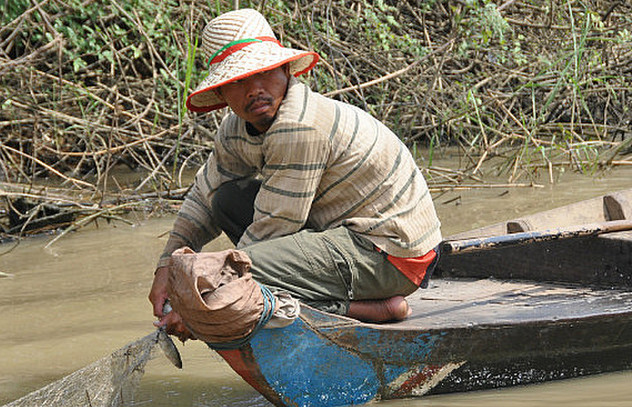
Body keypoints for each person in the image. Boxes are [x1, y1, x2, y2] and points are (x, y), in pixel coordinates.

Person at [149, 8, 442, 340]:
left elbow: (271, 230)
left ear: (285, 70)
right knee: (226, 200)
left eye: (264, 73)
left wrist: (203, 306)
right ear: (220, 94)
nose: (254, 89)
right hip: (339, 235)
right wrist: (166, 268)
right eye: (238, 81)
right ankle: (347, 300)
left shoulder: (299, 127)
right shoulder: (235, 130)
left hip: (392, 256)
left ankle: (369, 308)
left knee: (232, 279)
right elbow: (205, 194)